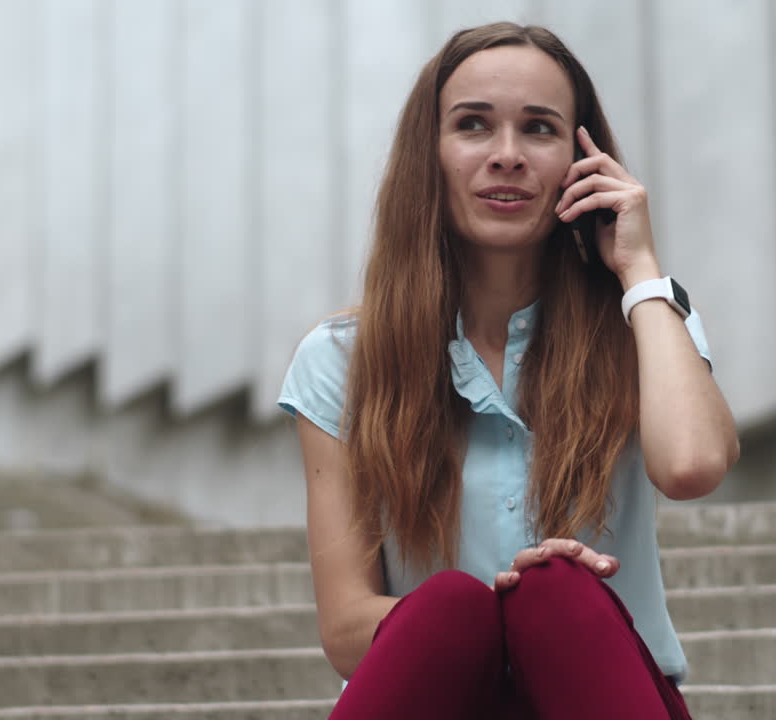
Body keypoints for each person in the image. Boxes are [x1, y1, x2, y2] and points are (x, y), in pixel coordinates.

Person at [279, 21, 739, 719]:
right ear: (427, 155)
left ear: (582, 161)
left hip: (597, 692)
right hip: (434, 694)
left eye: (540, 129)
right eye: (472, 126)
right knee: (451, 608)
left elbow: (693, 467)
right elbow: (346, 631)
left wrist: (640, 270)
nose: (506, 156)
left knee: (557, 592)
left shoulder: (644, 322)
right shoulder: (341, 359)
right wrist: (497, 616)